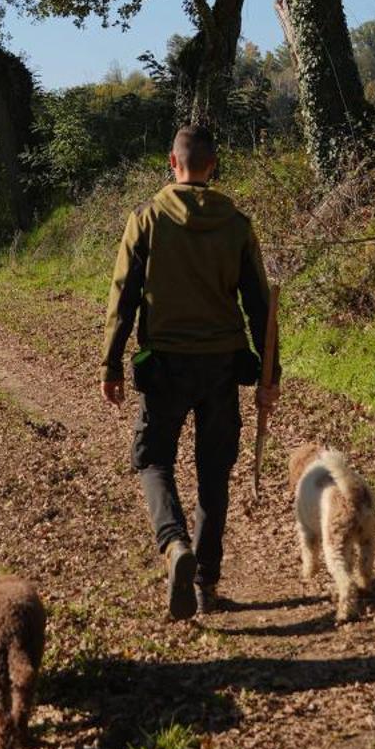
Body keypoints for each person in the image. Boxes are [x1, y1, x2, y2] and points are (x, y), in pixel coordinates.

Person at [100, 123, 279, 619]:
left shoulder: (147, 219)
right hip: (223, 366)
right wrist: (271, 374)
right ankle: (206, 583)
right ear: (213, 166)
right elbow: (261, 307)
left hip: (166, 365)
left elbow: (124, 298)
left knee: (153, 460)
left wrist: (111, 363)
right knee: (214, 472)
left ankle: (174, 542)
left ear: (171, 162)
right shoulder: (237, 224)